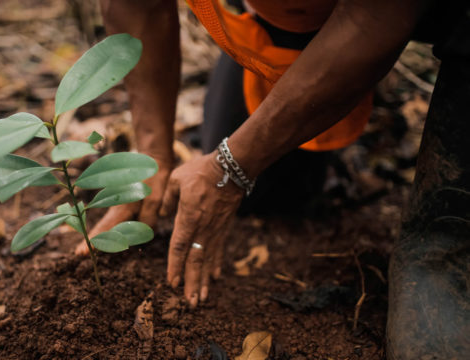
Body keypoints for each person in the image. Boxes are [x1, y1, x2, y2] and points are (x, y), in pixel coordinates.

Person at [75, 1, 470, 358]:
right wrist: (152, 155)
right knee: (268, 195)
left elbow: (377, 17)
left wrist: (231, 167)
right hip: (302, 11)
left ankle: (447, 243)